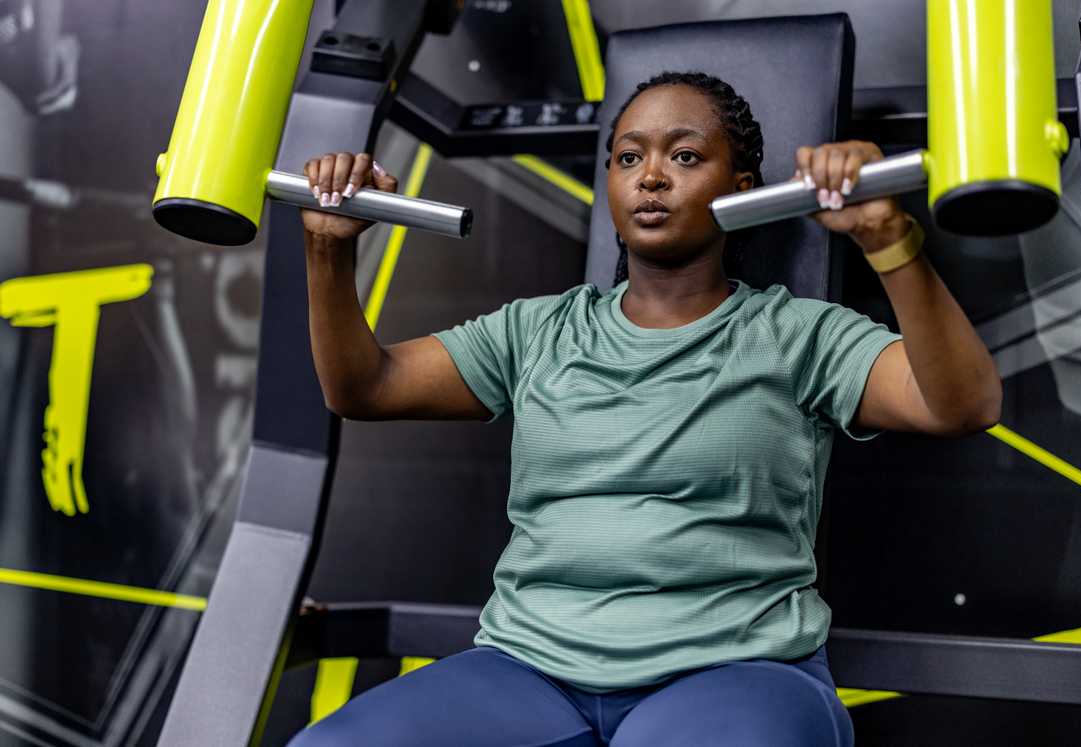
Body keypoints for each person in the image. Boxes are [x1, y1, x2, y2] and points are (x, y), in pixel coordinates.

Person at [288, 71, 1002, 746]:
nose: (651, 176)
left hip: (733, 669)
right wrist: (326, 251)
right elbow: (365, 387)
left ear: (740, 187)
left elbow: (963, 404)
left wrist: (886, 240)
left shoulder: (796, 334)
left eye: (684, 156)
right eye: (629, 158)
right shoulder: (538, 331)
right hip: (530, 667)